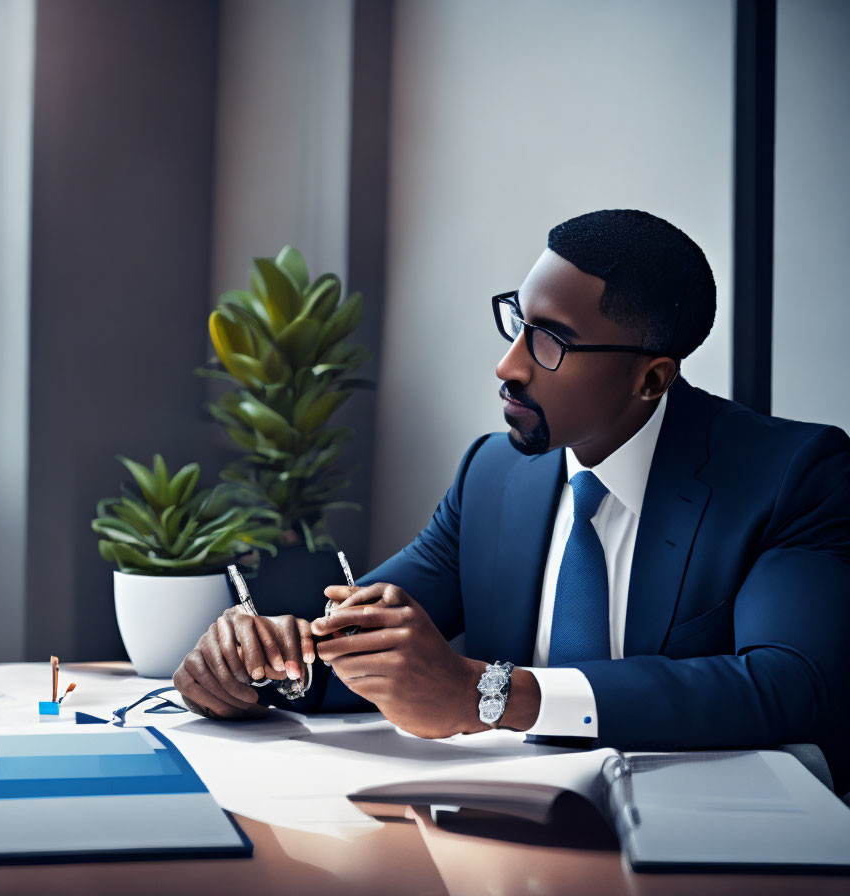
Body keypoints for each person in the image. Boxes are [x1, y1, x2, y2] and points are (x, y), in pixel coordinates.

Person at [173, 209, 850, 791]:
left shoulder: (792, 474)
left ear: (651, 379)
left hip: (706, 846)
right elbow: (377, 649)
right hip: (501, 834)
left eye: (551, 341)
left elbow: (788, 684)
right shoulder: (494, 474)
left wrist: (492, 696)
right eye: (518, 322)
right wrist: (266, 663)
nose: (510, 365)